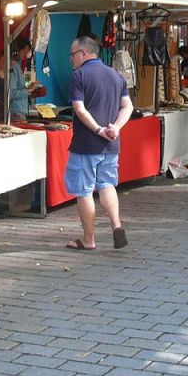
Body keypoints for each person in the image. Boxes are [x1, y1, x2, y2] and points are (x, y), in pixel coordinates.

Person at [64, 36, 133, 250]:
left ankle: (89, 239)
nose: (71, 59)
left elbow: (79, 109)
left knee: (84, 191)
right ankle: (116, 226)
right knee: (107, 184)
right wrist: (116, 128)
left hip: (86, 144)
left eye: (72, 55)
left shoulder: (79, 76)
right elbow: (127, 107)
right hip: (111, 144)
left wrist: (98, 130)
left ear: (83, 53)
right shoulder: (116, 76)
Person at [8, 38, 37, 120]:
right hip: (16, 112)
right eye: (24, 52)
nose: (25, 55)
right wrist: (29, 90)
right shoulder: (13, 66)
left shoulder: (18, 66)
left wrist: (30, 89)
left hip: (20, 110)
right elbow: (11, 93)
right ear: (17, 50)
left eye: (27, 53)